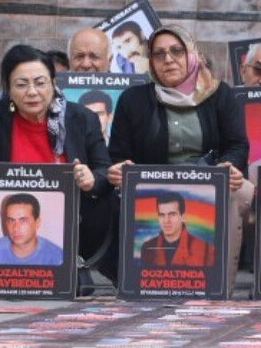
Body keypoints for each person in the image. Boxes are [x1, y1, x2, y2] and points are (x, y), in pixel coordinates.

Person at [0, 45, 115, 287]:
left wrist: (90, 178)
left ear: (53, 83)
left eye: (40, 83)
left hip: (70, 213)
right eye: (21, 84)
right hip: (11, 211)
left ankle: (80, 262)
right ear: (8, 88)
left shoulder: (81, 118)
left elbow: (104, 170)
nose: (32, 92)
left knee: (107, 203)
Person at [108, 25, 252, 292]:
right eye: (159, 54)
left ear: (191, 54)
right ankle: (139, 284)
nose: (169, 59)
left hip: (207, 180)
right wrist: (119, 169)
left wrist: (229, 166)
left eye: (177, 51)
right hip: (153, 183)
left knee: (238, 192)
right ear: (150, 61)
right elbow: (117, 155)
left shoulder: (219, 94)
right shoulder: (132, 100)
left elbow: (237, 145)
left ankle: (221, 288)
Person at [0, 193, 64, 266]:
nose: (16, 228)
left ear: (37, 222)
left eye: (23, 221)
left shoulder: (57, 258)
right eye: (11, 221)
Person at [140, 191, 213, 267]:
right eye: (162, 215)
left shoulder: (205, 250)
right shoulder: (147, 248)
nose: (166, 221)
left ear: (183, 217)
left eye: (172, 214)